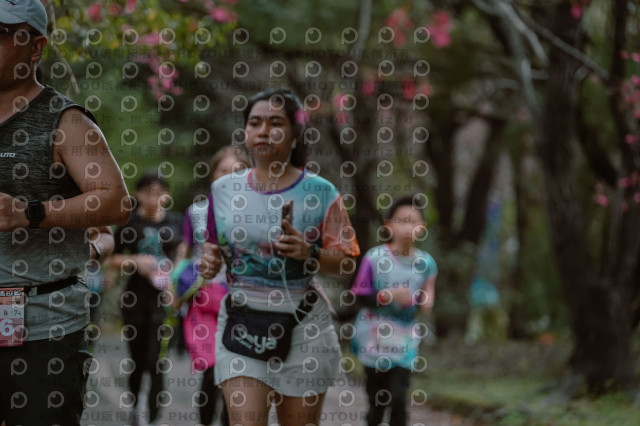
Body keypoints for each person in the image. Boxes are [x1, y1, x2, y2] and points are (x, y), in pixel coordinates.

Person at [0, 1, 131, 425]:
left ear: (36, 47)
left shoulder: (65, 121)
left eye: (2, 33)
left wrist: (31, 213)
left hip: (43, 324)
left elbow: (115, 201)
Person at [199, 88, 360, 426]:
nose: (263, 131)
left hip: (304, 328)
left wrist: (310, 253)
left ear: (295, 134)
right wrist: (209, 262)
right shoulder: (222, 189)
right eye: (254, 123)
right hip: (242, 325)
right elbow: (213, 245)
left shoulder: (321, 192)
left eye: (275, 123)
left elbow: (348, 263)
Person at [172, 145, 249, 426]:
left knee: (236, 372)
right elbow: (186, 250)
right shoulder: (196, 212)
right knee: (210, 367)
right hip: (203, 298)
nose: (229, 176)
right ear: (213, 174)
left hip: (241, 299)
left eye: (237, 171)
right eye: (223, 170)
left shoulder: (255, 213)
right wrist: (174, 286)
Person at [351, 195, 438, 426]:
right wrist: (387, 295)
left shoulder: (426, 263)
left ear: (422, 228)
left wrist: (426, 302)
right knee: (376, 398)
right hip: (373, 334)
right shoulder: (374, 258)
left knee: (399, 396)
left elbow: (428, 291)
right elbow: (360, 295)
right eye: (402, 221)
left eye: (413, 222)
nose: (408, 228)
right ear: (389, 225)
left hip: (405, 337)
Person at [109, 172, 183, 425]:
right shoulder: (129, 223)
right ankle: (135, 406)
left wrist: (174, 280)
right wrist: (135, 261)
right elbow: (112, 258)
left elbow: (182, 254)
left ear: (167, 195)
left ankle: (153, 417)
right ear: (138, 194)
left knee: (157, 360)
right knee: (138, 359)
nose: (154, 198)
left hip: (165, 303)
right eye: (148, 192)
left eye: (159, 192)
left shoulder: (175, 221)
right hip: (135, 301)